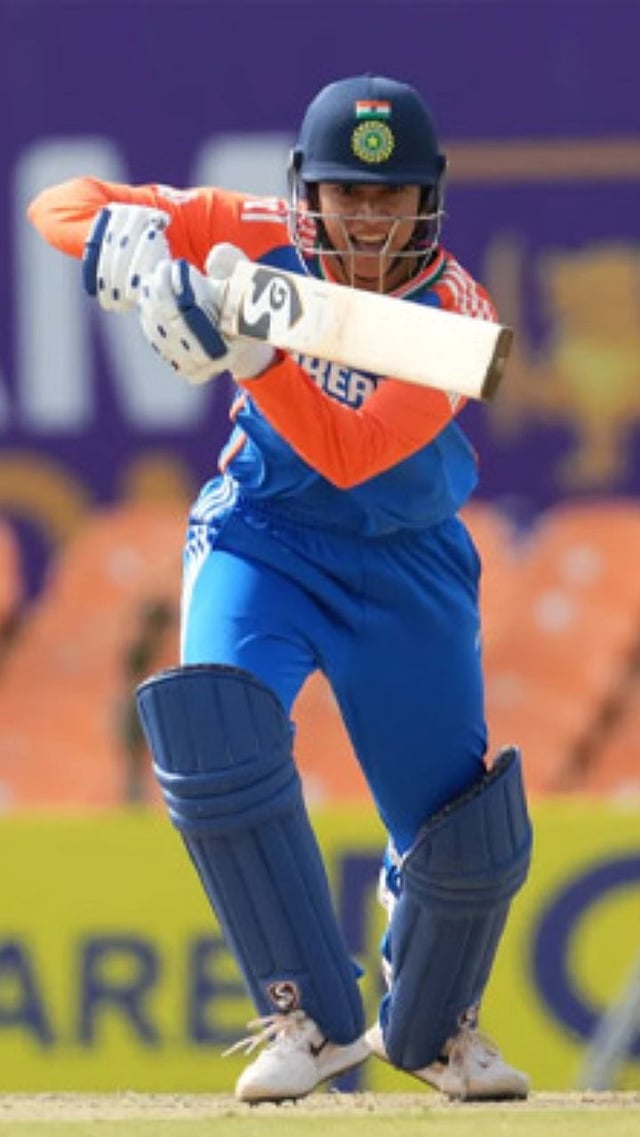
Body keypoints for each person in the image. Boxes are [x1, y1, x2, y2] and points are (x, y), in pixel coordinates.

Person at [28, 73, 533, 1103]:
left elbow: (352, 454)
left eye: (390, 197)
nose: (367, 219)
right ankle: (307, 1017)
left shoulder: (452, 315)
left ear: (427, 201)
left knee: (457, 834)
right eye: (347, 193)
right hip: (263, 536)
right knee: (212, 727)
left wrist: (252, 358)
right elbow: (58, 201)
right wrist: (129, 253)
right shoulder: (250, 231)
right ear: (308, 192)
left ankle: (436, 1031)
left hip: (406, 562)